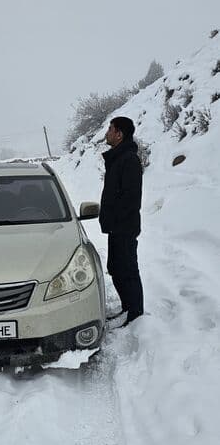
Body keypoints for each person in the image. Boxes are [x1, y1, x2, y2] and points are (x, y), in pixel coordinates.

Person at [99, 116, 144, 325]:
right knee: (116, 267)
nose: (107, 133)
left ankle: (136, 315)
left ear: (120, 134)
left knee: (128, 270)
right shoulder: (118, 158)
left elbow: (131, 198)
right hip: (116, 227)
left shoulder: (129, 160)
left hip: (124, 227)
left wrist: (117, 220)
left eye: (110, 129)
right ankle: (128, 307)